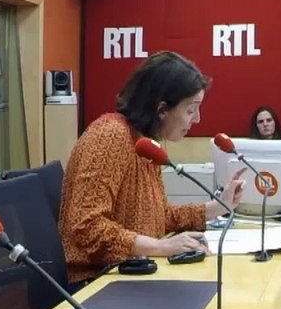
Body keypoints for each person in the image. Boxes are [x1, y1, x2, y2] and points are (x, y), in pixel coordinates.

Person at [58, 51, 245, 283]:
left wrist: (217, 207)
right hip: (96, 282)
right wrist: (159, 246)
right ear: (162, 109)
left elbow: (158, 217)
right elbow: (87, 226)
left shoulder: (144, 144)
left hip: (131, 273)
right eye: (190, 109)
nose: (196, 119)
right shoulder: (110, 136)